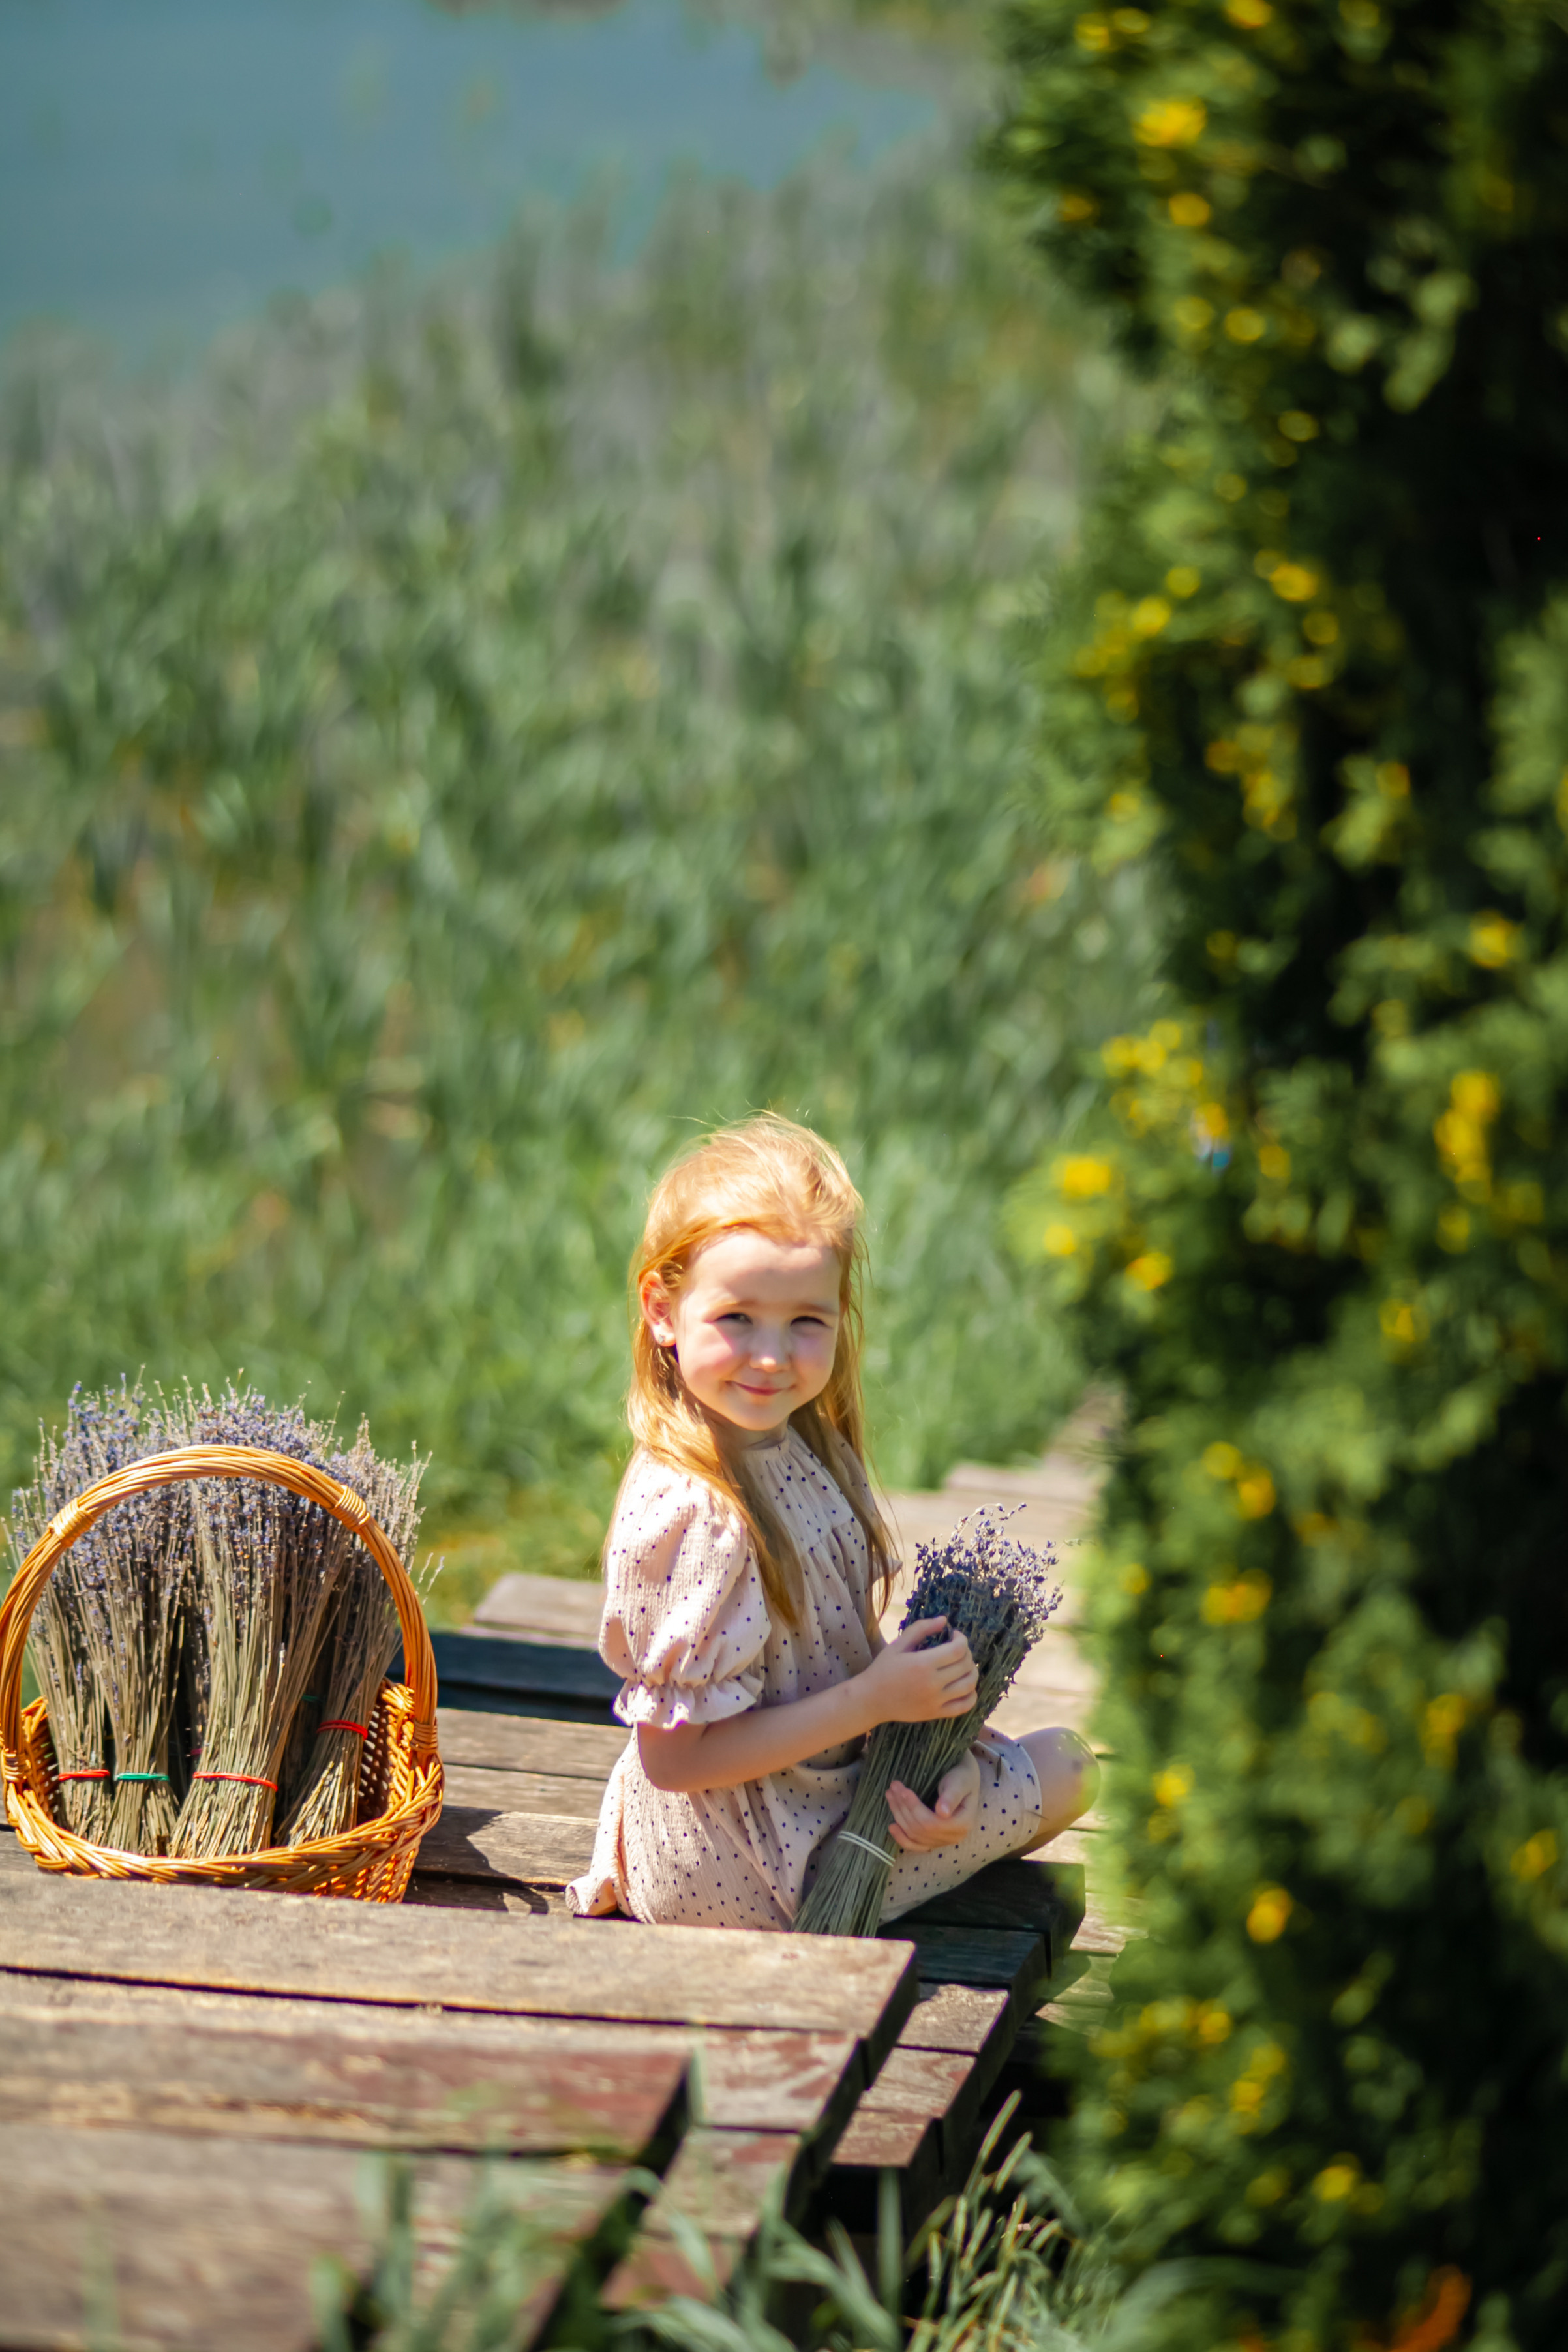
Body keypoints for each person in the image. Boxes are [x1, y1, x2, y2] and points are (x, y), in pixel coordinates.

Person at [567, 1114, 1098, 1931]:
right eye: (737, 1317)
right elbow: (673, 1761)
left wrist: (941, 1754)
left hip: (814, 1784)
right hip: (744, 1866)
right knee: (1067, 1766)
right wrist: (873, 1701)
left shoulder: (803, 1445)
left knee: (1024, 1768)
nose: (772, 1355)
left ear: (838, 1314)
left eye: (805, 1321)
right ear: (663, 1310)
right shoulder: (696, 1513)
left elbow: (836, 1656)